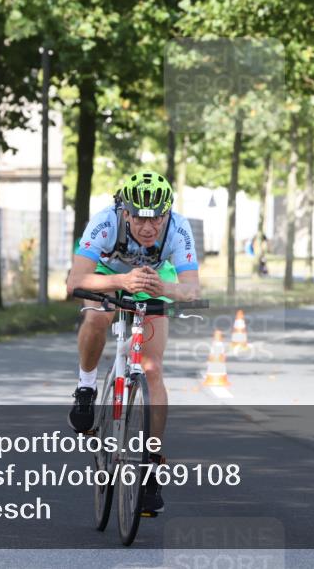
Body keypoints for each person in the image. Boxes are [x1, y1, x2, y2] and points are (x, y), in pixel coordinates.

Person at [65, 170, 200, 516]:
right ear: (125, 212)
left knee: (152, 369)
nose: (149, 226)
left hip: (154, 282)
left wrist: (166, 290)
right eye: (140, 217)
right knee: (96, 317)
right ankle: (85, 387)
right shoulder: (105, 222)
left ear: (167, 213)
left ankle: (152, 467)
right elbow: (75, 280)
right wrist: (121, 280)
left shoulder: (179, 228)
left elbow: (191, 288)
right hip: (109, 276)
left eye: (157, 218)